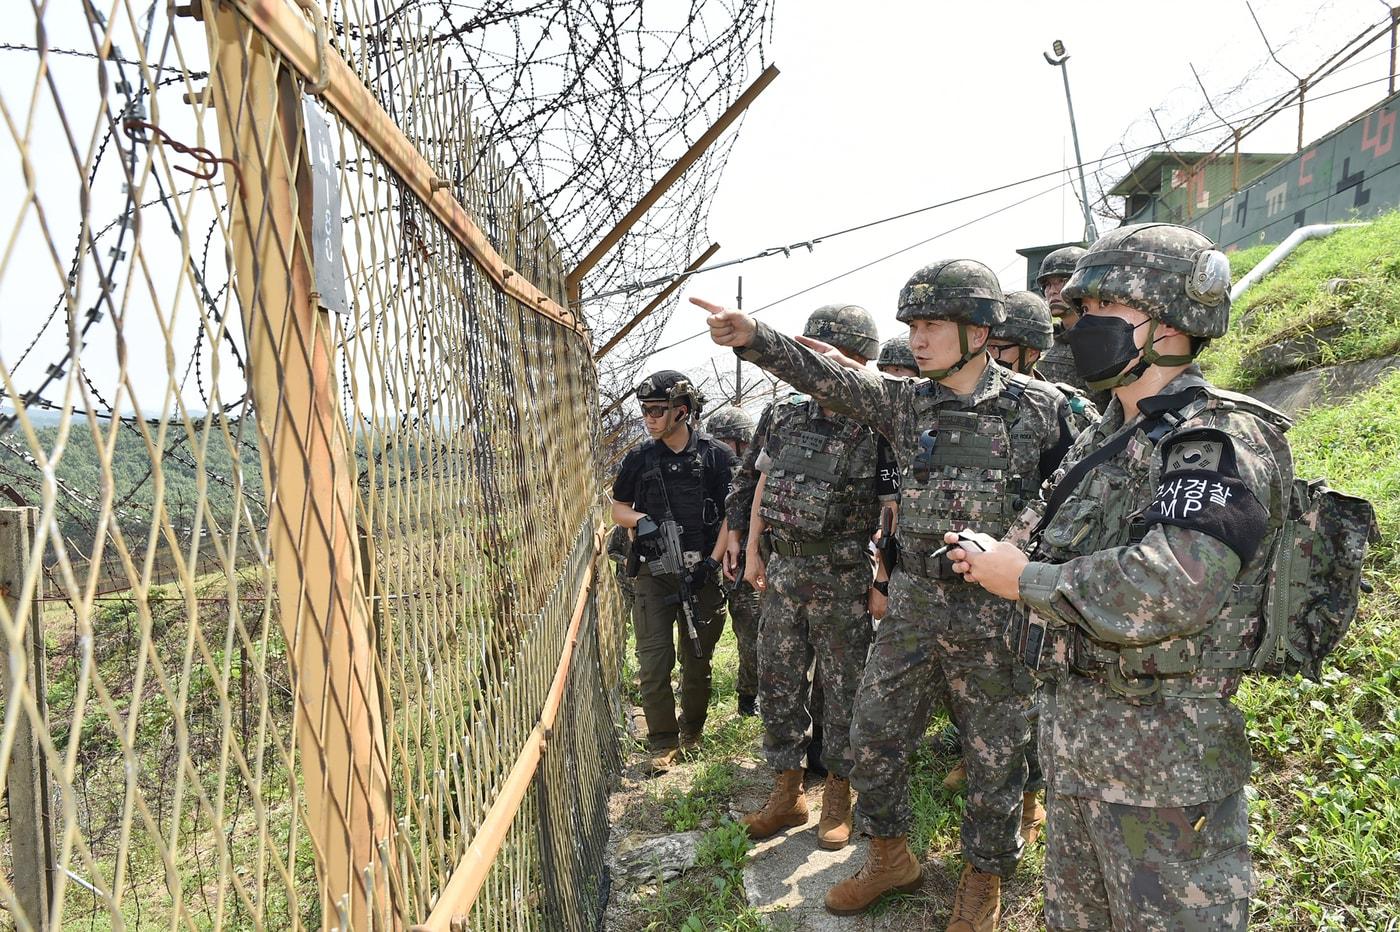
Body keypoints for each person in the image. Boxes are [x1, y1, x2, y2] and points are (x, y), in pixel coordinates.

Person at [695, 259, 1074, 929]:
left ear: (979, 330)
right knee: (872, 734)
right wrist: (755, 336)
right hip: (914, 607)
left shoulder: (1042, 408)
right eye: (913, 326)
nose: (918, 339)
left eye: (934, 325)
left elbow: (1073, 497)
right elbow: (825, 376)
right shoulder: (905, 402)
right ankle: (890, 856)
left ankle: (982, 881)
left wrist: (1033, 568)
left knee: (995, 754)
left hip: (996, 611)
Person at [945, 223, 1282, 931]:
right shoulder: (1108, 434)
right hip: (1078, 751)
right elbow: (1039, 529)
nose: (1081, 326)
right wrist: (989, 554)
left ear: (1168, 323)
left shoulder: (1216, 439)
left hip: (1163, 773)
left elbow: (1172, 585)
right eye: (1080, 309)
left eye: (1103, 308)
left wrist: (1026, 580)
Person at [725, 303, 891, 852]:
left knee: (843, 688)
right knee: (778, 682)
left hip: (843, 575)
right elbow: (753, 483)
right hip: (784, 570)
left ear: (858, 361)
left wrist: (882, 579)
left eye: (832, 356)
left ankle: (838, 794)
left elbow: (895, 508)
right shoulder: (783, 416)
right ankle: (788, 792)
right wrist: (750, 547)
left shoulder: (879, 423)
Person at [611, 371, 736, 773]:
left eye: (657, 410)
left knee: (697, 659)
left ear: (682, 411)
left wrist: (713, 563)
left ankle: (692, 730)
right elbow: (618, 508)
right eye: (645, 410)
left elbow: (731, 516)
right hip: (654, 572)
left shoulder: (716, 456)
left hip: (702, 571)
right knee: (653, 662)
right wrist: (641, 521)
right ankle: (662, 741)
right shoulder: (640, 458)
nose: (649, 418)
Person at [704, 404, 761, 716]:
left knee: (752, 631)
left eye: (726, 440)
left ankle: (749, 695)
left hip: (746, 561)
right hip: (714, 561)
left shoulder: (754, 474)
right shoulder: (705, 468)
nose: (720, 447)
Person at [1032, 245, 1103, 410]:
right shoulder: (1045, 342)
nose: (1052, 291)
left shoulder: (1105, 341)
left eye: (1062, 281)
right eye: (1047, 285)